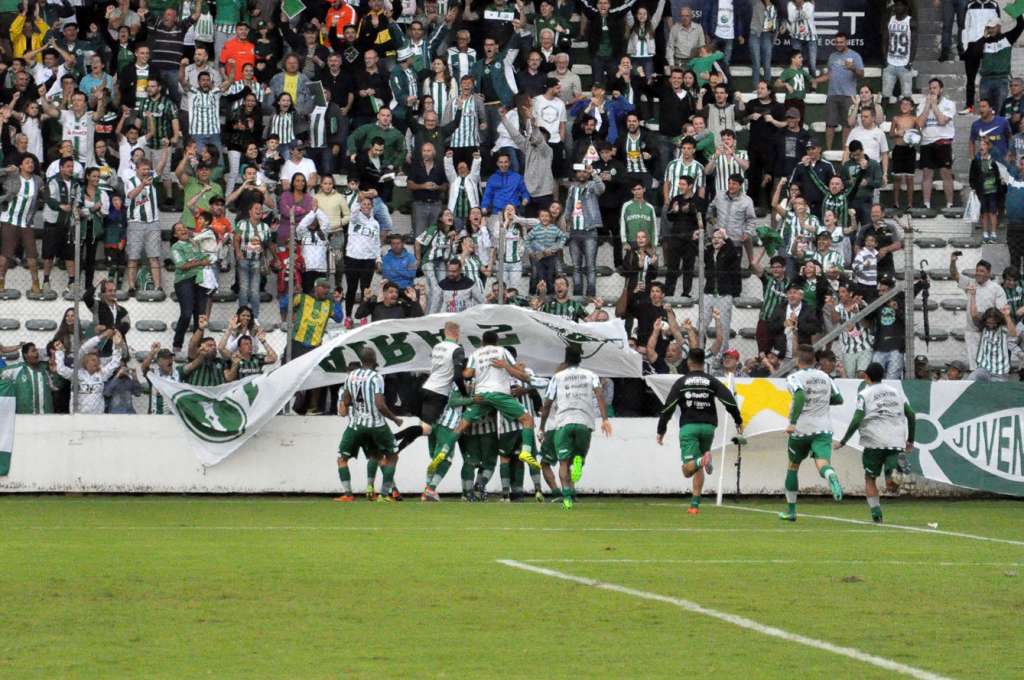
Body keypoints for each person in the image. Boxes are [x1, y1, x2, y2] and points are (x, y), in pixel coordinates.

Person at [426, 330, 539, 476]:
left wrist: (469, 371)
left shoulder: (476, 354)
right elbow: (515, 370)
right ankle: (526, 451)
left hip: (482, 395)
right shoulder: (502, 351)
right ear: (497, 341)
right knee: (527, 419)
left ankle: (443, 451)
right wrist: (516, 369)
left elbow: (467, 374)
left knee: (461, 425)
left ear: (482, 342)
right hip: (499, 394)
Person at [656, 347, 743, 515]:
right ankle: (694, 505)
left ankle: (702, 461)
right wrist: (738, 419)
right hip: (709, 427)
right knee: (699, 465)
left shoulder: (682, 382)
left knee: (687, 470)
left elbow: (668, 407)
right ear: (704, 363)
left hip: (689, 427)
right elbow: (729, 400)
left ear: (689, 362)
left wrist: (661, 429)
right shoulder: (711, 381)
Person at [835, 362, 916, 523]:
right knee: (891, 486)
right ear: (883, 376)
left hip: (874, 441)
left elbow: (857, 419)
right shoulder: (896, 392)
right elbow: (911, 414)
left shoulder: (864, 394)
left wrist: (844, 441)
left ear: (866, 376)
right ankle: (899, 473)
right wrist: (910, 440)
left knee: (870, 478)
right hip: (896, 440)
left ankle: (876, 514)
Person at [540, 346, 612, 510]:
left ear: (565, 359)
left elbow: (547, 403)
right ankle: (579, 461)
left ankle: (567, 498)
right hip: (584, 422)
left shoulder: (557, 377)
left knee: (563, 462)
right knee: (578, 456)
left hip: (563, 422)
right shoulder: (591, 375)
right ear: (580, 359)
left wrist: (542, 427)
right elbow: (600, 394)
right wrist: (605, 419)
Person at [779, 344, 844, 522]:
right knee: (823, 463)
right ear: (815, 360)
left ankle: (791, 511)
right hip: (823, 428)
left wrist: (793, 423)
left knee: (793, 466)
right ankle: (830, 475)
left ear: (797, 360)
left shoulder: (794, 377)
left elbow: (800, 396)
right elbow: (839, 398)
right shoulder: (825, 376)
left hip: (801, 429)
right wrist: (821, 401)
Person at [335, 347, 404, 503]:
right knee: (392, 456)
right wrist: (395, 419)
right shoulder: (376, 377)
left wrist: (356, 407)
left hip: (356, 425)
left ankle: (348, 494)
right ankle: (385, 494)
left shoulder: (351, 376)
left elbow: (346, 402)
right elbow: (380, 404)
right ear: (374, 359)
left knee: (343, 459)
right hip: (376, 424)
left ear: (361, 360)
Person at [951, 254, 1007, 370]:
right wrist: (952, 262)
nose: (978, 273)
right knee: (975, 367)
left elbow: (1001, 312)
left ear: (989, 273)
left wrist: (982, 318)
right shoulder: (970, 283)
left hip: (990, 332)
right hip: (972, 332)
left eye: (982, 271)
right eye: (977, 270)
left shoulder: (996, 288)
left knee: (989, 367)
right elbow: (954, 275)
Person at [53, 331, 126, 414]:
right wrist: (60, 352)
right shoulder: (76, 374)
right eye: (93, 360)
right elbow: (61, 369)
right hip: (78, 416)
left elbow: (115, 362)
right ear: (85, 362)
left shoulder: (102, 374)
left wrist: (116, 346)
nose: (96, 362)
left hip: (97, 417)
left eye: (97, 360)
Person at [0, 155, 43, 292]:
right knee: (6, 253)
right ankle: (1, 282)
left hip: (27, 223)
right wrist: (6, 170)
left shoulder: (38, 180)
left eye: (32, 162)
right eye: (27, 162)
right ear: (21, 166)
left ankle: (35, 284)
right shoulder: (12, 177)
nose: (31, 164)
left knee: (32, 254)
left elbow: (44, 195)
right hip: (9, 220)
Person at [916, 78, 958, 210]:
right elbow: (920, 124)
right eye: (930, 88)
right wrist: (927, 106)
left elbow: (942, 121)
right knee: (927, 173)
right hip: (927, 142)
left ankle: (950, 204)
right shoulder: (923, 103)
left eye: (935, 88)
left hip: (943, 141)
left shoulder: (949, 104)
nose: (932, 90)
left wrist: (934, 105)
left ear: (941, 89)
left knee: (946, 173)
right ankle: (926, 204)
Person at [969, 137, 1006, 243]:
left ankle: (993, 233)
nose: (981, 147)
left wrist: (1001, 187)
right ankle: (985, 233)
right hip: (981, 191)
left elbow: (999, 175)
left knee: (993, 212)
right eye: (980, 145)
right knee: (984, 212)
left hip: (993, 191)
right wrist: (974, 187)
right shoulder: (976, 161)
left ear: (988, 147)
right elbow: (972, 176)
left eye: (984, 145)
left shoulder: (993, 161)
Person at [0, 342, 53, 413]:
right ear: (25, 355)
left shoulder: (45, 370)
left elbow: (55, 387)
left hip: (46, 415)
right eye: (33, 351)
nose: (37, 353)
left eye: (37, 350)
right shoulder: (16, 370)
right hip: (24, 416)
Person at [882, 1, 915, 104]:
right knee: (885, 95)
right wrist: (885, 60)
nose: (898, 7)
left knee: (907, 96)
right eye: (896, 5)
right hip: (890, 62)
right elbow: (885, 40)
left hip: (904, 63)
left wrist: (910, 61)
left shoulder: (910, 21)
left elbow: (914, 43)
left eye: (900, 5)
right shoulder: (890, 20)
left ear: (905, 7)